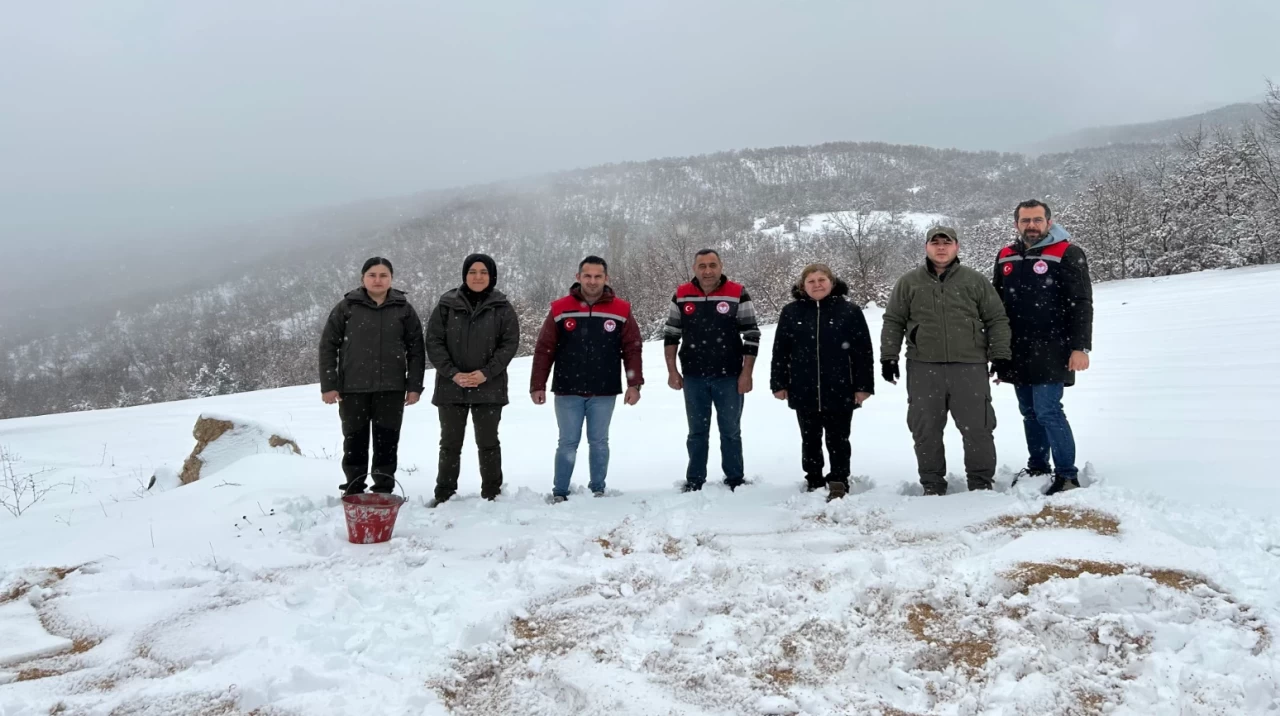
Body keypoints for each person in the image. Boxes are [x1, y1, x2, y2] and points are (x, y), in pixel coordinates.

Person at [881, 226, 1012, 495]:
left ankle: (980, 483)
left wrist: (1000, 355)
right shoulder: (909, 282)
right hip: (923, 367)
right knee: (925, 429)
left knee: (978, 427)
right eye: (935, 243)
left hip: (970, 366)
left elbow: (996, 319)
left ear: (956, 247)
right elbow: (893, 320)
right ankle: (932, 484)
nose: (941, 247)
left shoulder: (974, 281)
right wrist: (888, 357)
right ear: (926, 247)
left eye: (947, 243)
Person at [992, 200, 1094, 495]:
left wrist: (1080, 347)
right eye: (1026, 220)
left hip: (1053, 347)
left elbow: (1081, 303)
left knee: (1048, 410)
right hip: (1016, 349)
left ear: (1049, 222)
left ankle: (1067, 475)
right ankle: (1038, 465)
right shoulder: (1005, 256)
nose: (1032, 225)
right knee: (1029, 411)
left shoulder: (1067, 253)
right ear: (1017, 224)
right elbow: (996, 306)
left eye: (1037, 220)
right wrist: (996, 351)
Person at [530, 256, 644, 502]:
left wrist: (634, 384)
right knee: (567, 443)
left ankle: (598, 488)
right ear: (578, 277)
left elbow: (632, 348)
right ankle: (560, 491)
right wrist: (538, 384)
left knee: (599, 441)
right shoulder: (560, 308)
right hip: (567, 389)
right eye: (588, 276)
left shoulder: (621, 309)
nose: (592, 281)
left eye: (598, 276)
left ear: (606, 278)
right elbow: (544, 348)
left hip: (604, 390)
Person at [319, 257, 426, 494]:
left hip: (392, 388)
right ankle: (354, 488)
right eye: (372, 275)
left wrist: (414, 386)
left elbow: (416, 349)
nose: (378, 280)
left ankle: (383, 488)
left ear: (391, 279)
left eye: (383, 275)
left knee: (386, 442)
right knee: (354, 441)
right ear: (362, 278)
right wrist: (329, 385)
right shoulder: (346, 307)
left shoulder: (403, 309)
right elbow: (328, 346)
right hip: (352, 388)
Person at [769, 264, 875, 501]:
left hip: (840, 387)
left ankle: (838, 479)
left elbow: (862, 352)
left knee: (838, 438)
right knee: (809, 438)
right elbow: (780, 351)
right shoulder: (791, 312)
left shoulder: (849, 311)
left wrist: (864, 386)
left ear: (832, 282)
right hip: (802, 387)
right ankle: (814, 478)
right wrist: (778, 383)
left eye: (822, 279)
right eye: (811, 281)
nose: (817, 285)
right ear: (802, 285)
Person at [663, 248, 762, 492]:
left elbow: (751, 334)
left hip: (729, 376)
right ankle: (695, 480)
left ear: (721, 266)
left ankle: (735, 479)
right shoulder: (681, 294)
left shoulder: (738, 293)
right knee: (697, 432)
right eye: (702, 266)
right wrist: (672, 371)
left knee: (730, 431)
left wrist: (746, 373)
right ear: (694, 268)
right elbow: (671, 334)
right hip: (694, 377)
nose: (708, 271)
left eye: (712, 265)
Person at [424, 254, 520, 505]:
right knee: (450, 443)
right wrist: (453, 373)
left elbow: (509, 345)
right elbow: (434, 342)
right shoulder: (446, 304)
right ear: (464, 275)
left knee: (488, 442)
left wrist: (485, 373)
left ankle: (492, 493)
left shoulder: (502, 306)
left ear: (492, 276)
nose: (478, 277)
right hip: (450, 386)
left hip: (489, 386)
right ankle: (443, 493)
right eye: (473, 272)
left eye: (483, 272)